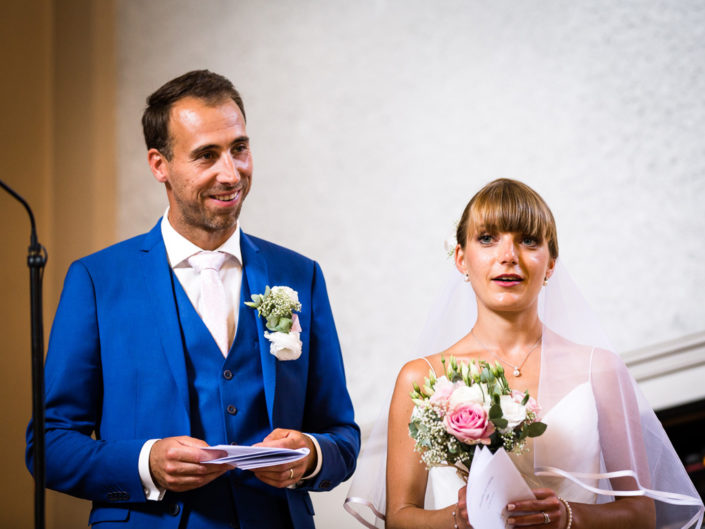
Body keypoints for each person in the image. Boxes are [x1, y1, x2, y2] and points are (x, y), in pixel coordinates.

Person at [26, 69, 360, 529]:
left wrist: (312, 455)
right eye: (207, 155)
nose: (231, 172)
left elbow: (342, 434)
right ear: (159, 164)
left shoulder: (299, 275)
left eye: (239, 148)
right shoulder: (98, 280)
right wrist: (146, 462)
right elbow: (48, 445)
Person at [345, 179, 703, 529]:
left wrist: (568, 516)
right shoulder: (420, 377)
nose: (508, 257)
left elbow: (641, 515)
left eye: (528, 241)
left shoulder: (600, 370)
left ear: (550, 264)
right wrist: (457, 518)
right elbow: (401, 517)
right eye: (487, 239)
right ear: (460, 258)